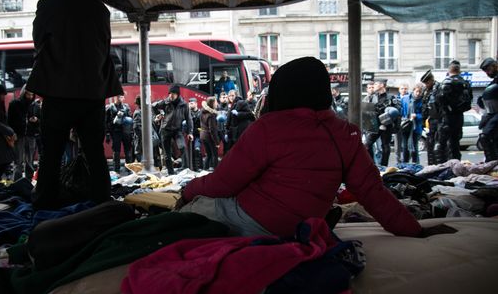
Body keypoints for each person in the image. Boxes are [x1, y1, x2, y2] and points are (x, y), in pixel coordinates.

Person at [176, 57, 454, 239]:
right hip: (305, 227)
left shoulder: (268, 128)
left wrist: (187, 191)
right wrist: (414, 231)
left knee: (196, 208)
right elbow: (372, 191)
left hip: (256, 221)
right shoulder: (344, 133)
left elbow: (224, 183)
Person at [26, 0, 123, 208]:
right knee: (95, 152)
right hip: (93, 91)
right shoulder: (101, 10)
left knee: (52, 152)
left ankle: (45, 201)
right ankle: (102, 199)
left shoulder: (48, 4)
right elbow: (105, 44)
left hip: (58, 89)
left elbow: (39, 41)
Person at [435, 60, 473, 163]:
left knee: (441, 145)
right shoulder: (465, 84)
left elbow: (439, 100)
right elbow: (468, 103)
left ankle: (441, 168)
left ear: (449, 70)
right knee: (455, 144)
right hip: (458, 117)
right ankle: (455, 167)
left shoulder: (446, 83)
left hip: (446, 117)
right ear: (459, 70)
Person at [152, 85, 193, 175]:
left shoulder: (184, 104)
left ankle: (185, 169)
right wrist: (157, 115)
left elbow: (189, 119)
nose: (170, 96)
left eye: (173, 94)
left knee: (182, 147)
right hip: (165, 130)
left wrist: (190, 132)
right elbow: (153, 106)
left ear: (177, 94)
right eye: (169, 94)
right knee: (167, 154)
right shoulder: (165, 102)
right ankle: (171, 173)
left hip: (177, 130)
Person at [364, 79, 401, 166]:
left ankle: (384, 166)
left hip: (386, 126)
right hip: (375, 126)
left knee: (385, 146)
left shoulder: (391, 97)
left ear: (382, 85)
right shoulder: (372, 97)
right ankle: (372, 165)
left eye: (376, 84)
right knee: (367, 145)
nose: (374, 86)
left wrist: (389, 122)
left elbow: (397, 111)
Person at [7, 86, 37, 180]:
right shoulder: (14, 104)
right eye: (28, 94)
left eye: (32, 94)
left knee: (30, 160)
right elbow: (10, 121)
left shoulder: (34, 105)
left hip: (31, 135)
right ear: (23, 93)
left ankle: (28, 180)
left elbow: (40, 120)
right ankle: (17, 181)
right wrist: (12, 133)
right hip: (18, 135)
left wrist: (36, 120)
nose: (30, 96)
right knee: (18, 160)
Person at [420, 70, 443, 165]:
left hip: (439, 120)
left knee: (438, 147)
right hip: (431, 120)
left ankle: (439, 166)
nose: (426, 84)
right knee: (430, 144)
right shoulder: (426, 91)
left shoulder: (439, 88)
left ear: (431, 80)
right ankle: (431, 165)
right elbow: (425, 106)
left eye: (427, 82)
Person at [478, 58, 498, 161]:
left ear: (494, 66)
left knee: (486, 135)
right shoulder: (494, 81)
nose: (487, 73)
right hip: (492, 114)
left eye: (488, 70)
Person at [106, 95, 133, 172]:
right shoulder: (110, 107)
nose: (119, 98)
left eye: (121, 97)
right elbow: (106, 121)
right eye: (118, 96)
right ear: (115, 97)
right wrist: (107, 133)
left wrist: (131, 131)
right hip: (115, 132)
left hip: (126, 131)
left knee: (128, 150)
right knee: (116, 150)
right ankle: (116, 169)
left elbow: (130, 118)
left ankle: (129, 168)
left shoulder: (126, 107)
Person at [400, 83, 424, 163]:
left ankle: (416, 164)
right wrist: (403, 119)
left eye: (420, 92)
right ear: (413, 90)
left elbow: (424, 114)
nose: (418, 93)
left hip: (416, 127)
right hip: (405, 126)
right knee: (405, 147)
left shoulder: (422, 101)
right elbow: (402, 110)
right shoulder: (405, 99)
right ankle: (405, 164)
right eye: (417, 91)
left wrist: (416, 116)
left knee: (415, 148)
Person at [200, 97, 220, 170]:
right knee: (215, 154)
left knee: (208, 154)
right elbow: (212, 130)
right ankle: (216, 172)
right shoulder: (211, 115)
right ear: (212, 103)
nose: (217, 103)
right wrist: (217, 142)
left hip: (203, 135)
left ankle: (205, 170)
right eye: (215, 102)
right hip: (209, 136)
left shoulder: (202, 111)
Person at [395, 84, 409, 162]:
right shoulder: (396, 98)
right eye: (402, 88)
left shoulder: (409, 98)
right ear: (399, 90)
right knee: (397, 144)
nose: (404, 90)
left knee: (405, 144)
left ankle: (405, 161)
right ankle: (398, 160)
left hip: (406, 121)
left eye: (405, 88)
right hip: (398, 123)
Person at [188, 98, 202, 171]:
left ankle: (198, 167)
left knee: (197, 149)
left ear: (196, 103)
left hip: (198, 134)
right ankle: (192, 167)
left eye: (192, 103)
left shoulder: (200, 112)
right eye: (189, 103)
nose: (190, 104)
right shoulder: (188, 113)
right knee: (191, 151)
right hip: (190, 134)